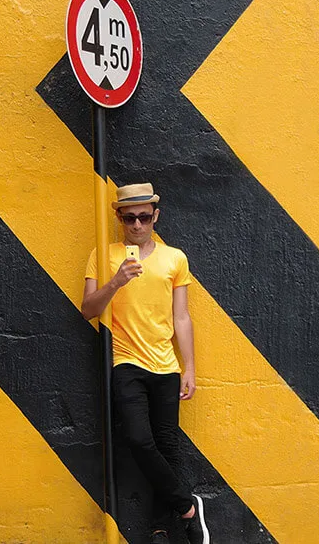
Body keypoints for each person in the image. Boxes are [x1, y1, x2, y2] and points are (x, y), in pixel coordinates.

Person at [82, 183, 209, 544]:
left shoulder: (175, 259)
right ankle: (188, 508)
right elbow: (88, 309)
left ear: (156, 216)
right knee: (139, 439)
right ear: (118, 218)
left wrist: (190, 368)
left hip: (166, 367)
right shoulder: (102, 255)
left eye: (143, 217)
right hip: (126, 362)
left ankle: (159, 529)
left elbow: (181, 317)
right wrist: (116, 282)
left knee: (167, 448)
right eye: (129, 218)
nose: (137, 225)